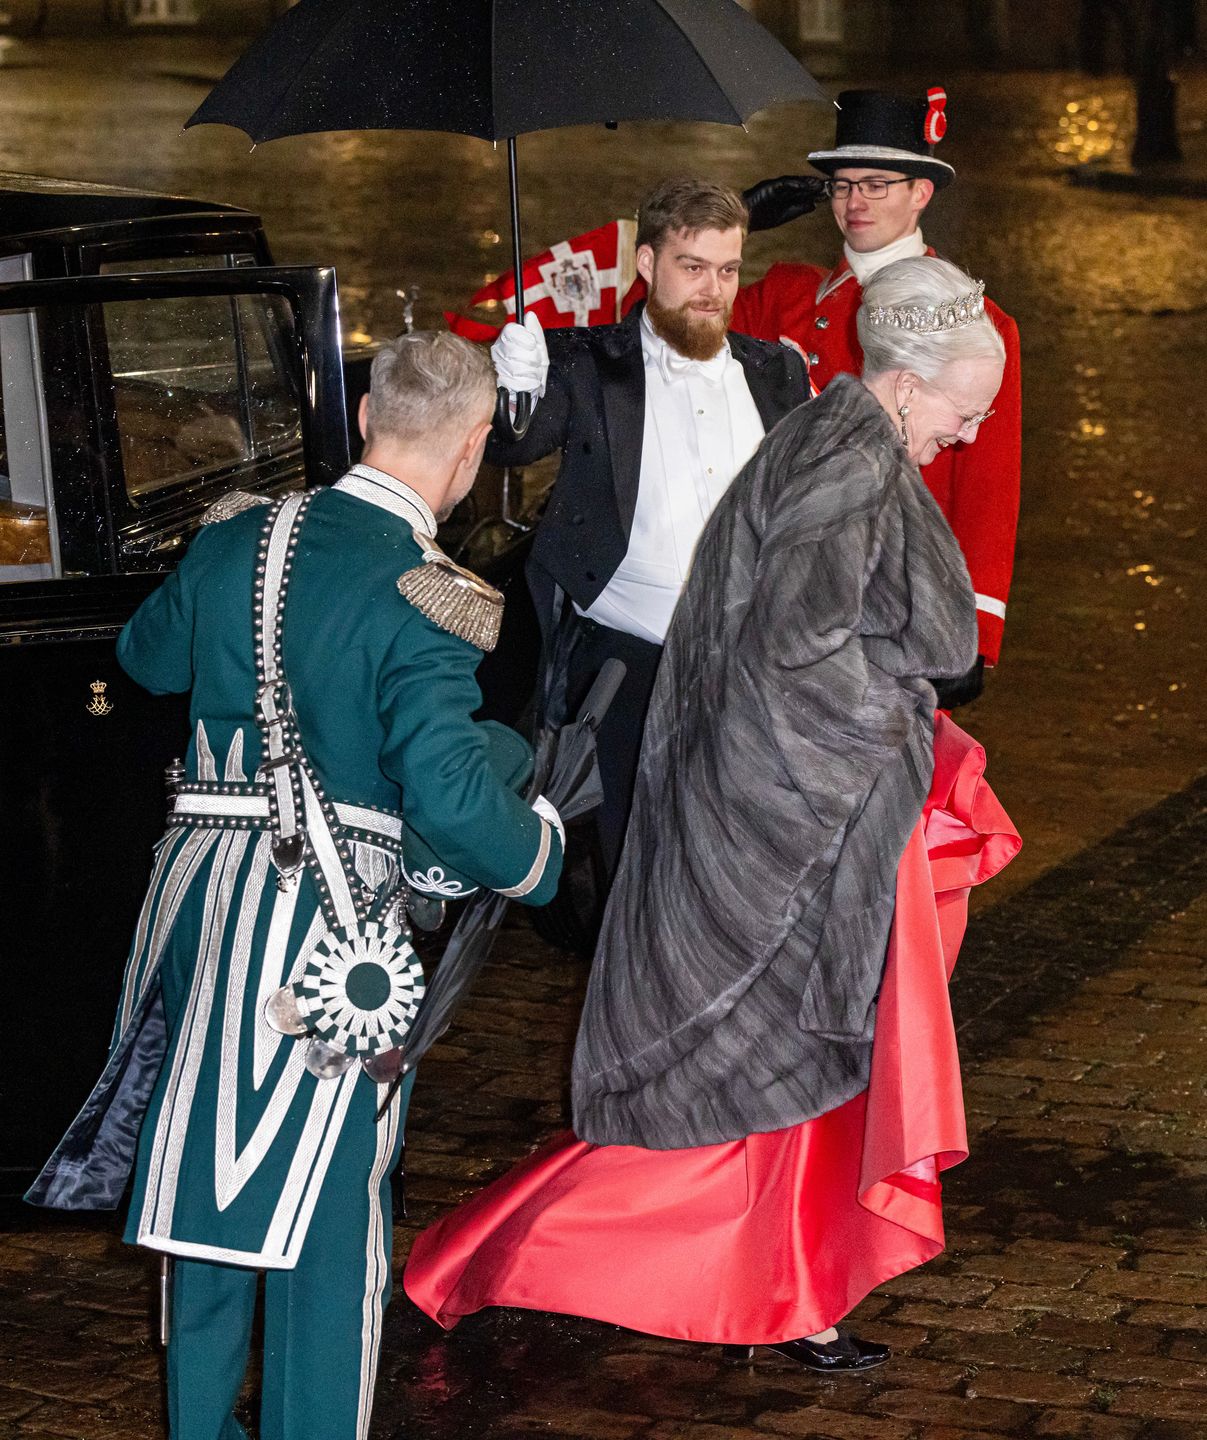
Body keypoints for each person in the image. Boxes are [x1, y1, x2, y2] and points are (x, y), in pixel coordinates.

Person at [404, 258, 1020, 1372]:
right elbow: (793, 657)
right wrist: (893, 736)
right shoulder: (846, 467)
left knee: (763, 1084)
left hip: (776, 820)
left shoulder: (846, 443)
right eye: (964, 412)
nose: (968, 435)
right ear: (906, 388)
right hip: (777, 830)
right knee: (734, 1085)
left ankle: (790, 1294)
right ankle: (505, 1261)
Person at [28, 331, 564, 1440]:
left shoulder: (239, 539)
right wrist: (543, 850)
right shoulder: (428, 592)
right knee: (327, 1222)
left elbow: (145, 663)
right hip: (324, 929)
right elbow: (457, 806)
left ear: (367, 414)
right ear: (471, 452)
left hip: (196, 909)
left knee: (204, 1198)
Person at [487, 176, 810, 872]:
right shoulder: (586, 364)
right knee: (626, 869)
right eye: (691, 268)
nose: (712, 290)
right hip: (623, 665)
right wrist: (514, 390)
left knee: (734, 868)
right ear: (646, 263)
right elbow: (512, 447)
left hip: (744, 670)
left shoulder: (777, 372)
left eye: (726, 270)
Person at [732, 87, 1022, 693]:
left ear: (921, 193)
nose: (854, 201)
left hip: (896, 599)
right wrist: (726, 224)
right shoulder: (781, 297)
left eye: (876, 184)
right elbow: (664, 341)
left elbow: (988, 487)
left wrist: (973, 627)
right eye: (842, 185)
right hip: (774, 586)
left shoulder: (980, 325)